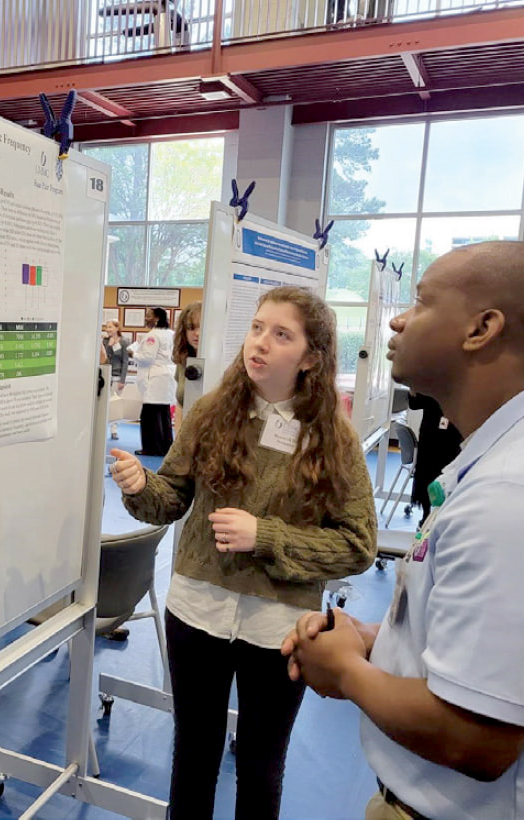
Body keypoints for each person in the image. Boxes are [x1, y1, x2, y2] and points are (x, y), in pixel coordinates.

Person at [282, 241, 524, 820]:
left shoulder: (520, 495)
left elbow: (474, 737)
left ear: (482, 328)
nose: (397, 319)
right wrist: (380, 642)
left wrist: (346, 670)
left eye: (420, 302)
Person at [110, 286, 377, 819]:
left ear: (311, 358)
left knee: (259, 767)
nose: (261, 344)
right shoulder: (211, 413)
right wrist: (140, 486)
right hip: (195, 612)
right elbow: (172, 499)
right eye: (257, 328)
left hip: (278, 629)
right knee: (193, 758)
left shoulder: (333, 442)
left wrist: (268, 536)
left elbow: (358, 544)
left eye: (282, 335)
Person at [406, 392, 462, 520]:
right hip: (430, 435)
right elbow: (414, 404)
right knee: (427, 474)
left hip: (450, 435)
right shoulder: (430, 381)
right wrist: (412, 390)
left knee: (447, 472)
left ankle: (444, 512)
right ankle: (426, 514)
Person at [132, 306, 177, 456]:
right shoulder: (171, 334)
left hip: (156, 377)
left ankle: (152, 447)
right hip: (168, 376)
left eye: (149, 316)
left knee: (150, 416)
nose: (146, 318)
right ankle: (165, 446)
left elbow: (147, 358)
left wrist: (133, 353)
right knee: (164, 415)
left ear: (157, 319)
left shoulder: (154, 335)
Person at [172, 301, 201, 433]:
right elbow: (180, 405)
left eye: (201, 327)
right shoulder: (183, 363)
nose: (197, 333)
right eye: (191, 328)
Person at [101, 320, 132, 440]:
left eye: (110, 327)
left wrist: (122, 380)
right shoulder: (104, 341)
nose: (108, 329)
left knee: (115, 403)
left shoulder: (124, 342)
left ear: (117, 328)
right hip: (106, 376)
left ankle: (114, 430)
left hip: (117, 376)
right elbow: (105, 359)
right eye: (106, 327)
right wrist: (109, 346)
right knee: (105, 403)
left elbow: (125, 362)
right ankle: (103, 428)